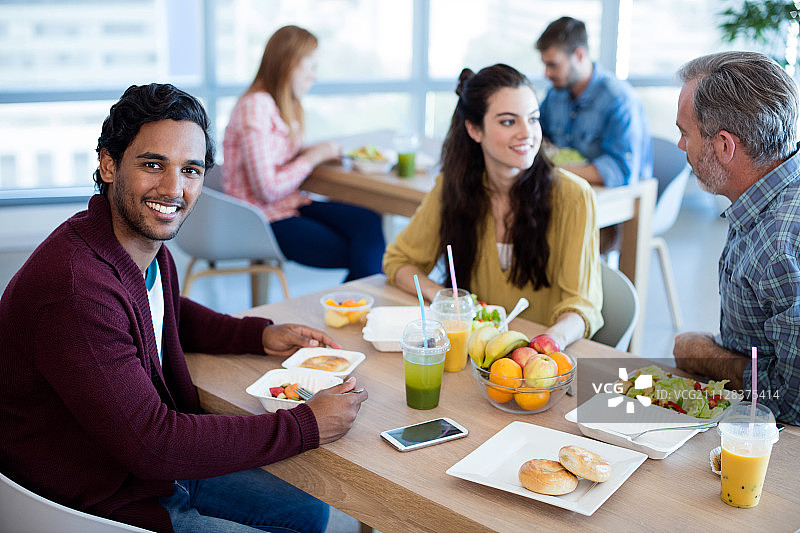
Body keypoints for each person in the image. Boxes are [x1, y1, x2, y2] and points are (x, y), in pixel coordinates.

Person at [0, 83, 368, 532]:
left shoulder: (140, 250)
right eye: (153, 165)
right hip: (99, 501)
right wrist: (305, 425)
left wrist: (256, 334)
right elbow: (152, 442)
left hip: (147, 474)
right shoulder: (75, 289)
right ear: (109, 164)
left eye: (191, 170)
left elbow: (161, 310)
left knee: (309, 511)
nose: (174, 188)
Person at [383, 64, 603, 350]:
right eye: (509, 122)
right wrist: (448, 300)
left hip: (541, 359)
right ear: (474, 129)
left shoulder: (574, 197)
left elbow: (582, 306)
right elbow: (398, 262)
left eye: (533, 119)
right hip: (471, 357)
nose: (527, 133)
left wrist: (549, 341)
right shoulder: (453, 188)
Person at [672, 51, 800, 425]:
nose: (681, 146)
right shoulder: (767, 191)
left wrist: (705, 355)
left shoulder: (781, 244)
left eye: (685, 133)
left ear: (724, 147)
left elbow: (793, 402)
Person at [223, 25, 385, 282]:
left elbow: (273, 154)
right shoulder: (254, 108)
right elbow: (267, 188)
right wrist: (312, 158)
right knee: (365, 251)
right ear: (289, 65)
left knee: (368, 223)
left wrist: (310, 151)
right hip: (263, 220)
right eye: (311, 67)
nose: (314, 76)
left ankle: (351, 310)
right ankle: (356, 311)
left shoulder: (275, 105)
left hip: (290, 204)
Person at [535, 16, 653, 188]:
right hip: (567, 190)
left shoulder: (619, 100)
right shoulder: (555, 95)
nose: (546, 74)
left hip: (615, 199)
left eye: (553, 65)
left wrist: (552, 169)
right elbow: (537, 133)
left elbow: (621, 171)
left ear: (579, 55)